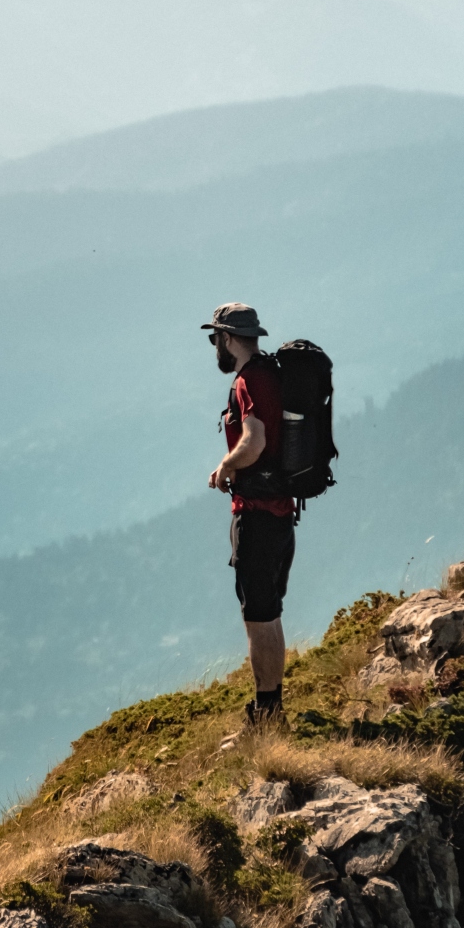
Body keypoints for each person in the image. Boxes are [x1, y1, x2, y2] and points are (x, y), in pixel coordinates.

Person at [202, 303, 295, 724]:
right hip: (280, 512)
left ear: (226, 338)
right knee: (269, 612)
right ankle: (271, 707)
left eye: (214, 339)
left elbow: (254, 442)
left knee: (258, 616)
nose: (214, 348)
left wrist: (226, 466)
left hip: (256, 514)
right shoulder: (273, 374)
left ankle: (267, 715)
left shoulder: (248, 380)